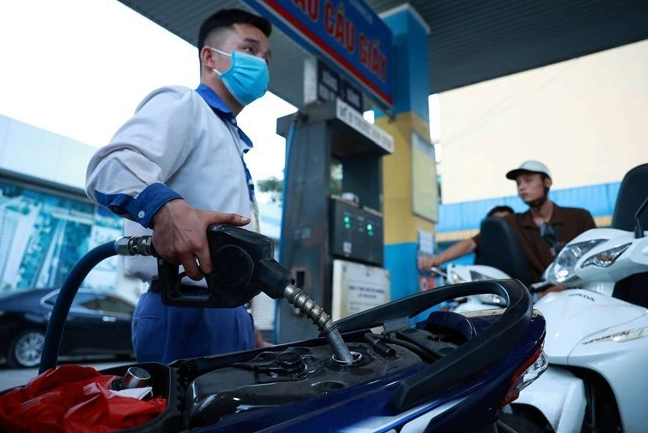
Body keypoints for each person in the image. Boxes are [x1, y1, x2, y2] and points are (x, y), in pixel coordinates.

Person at [85, 9, 272, 363]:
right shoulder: (185, 104)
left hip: (229, 312)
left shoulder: (230, 137)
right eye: (250, 50)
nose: (261, 63)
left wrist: (245, 320)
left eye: (266, 57)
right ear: (210, 57)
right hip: (183, 309)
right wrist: (164, 207)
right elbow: (112, 166)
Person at [496, 160, 596, 293]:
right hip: (537, 299)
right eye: (518, 183)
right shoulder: (511, 223)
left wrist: (565, 286)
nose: (521, 187)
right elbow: (475, 242)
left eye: (528, 180)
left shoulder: (579, 217)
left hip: (582, 294)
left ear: (547, 182)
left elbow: (595, 259)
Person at [418, 205, 514, 269]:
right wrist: (436, 260)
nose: (500, 226)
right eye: (495, 222)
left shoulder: (518, 238)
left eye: (505, 221)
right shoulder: (484, 239)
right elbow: (468, 245)